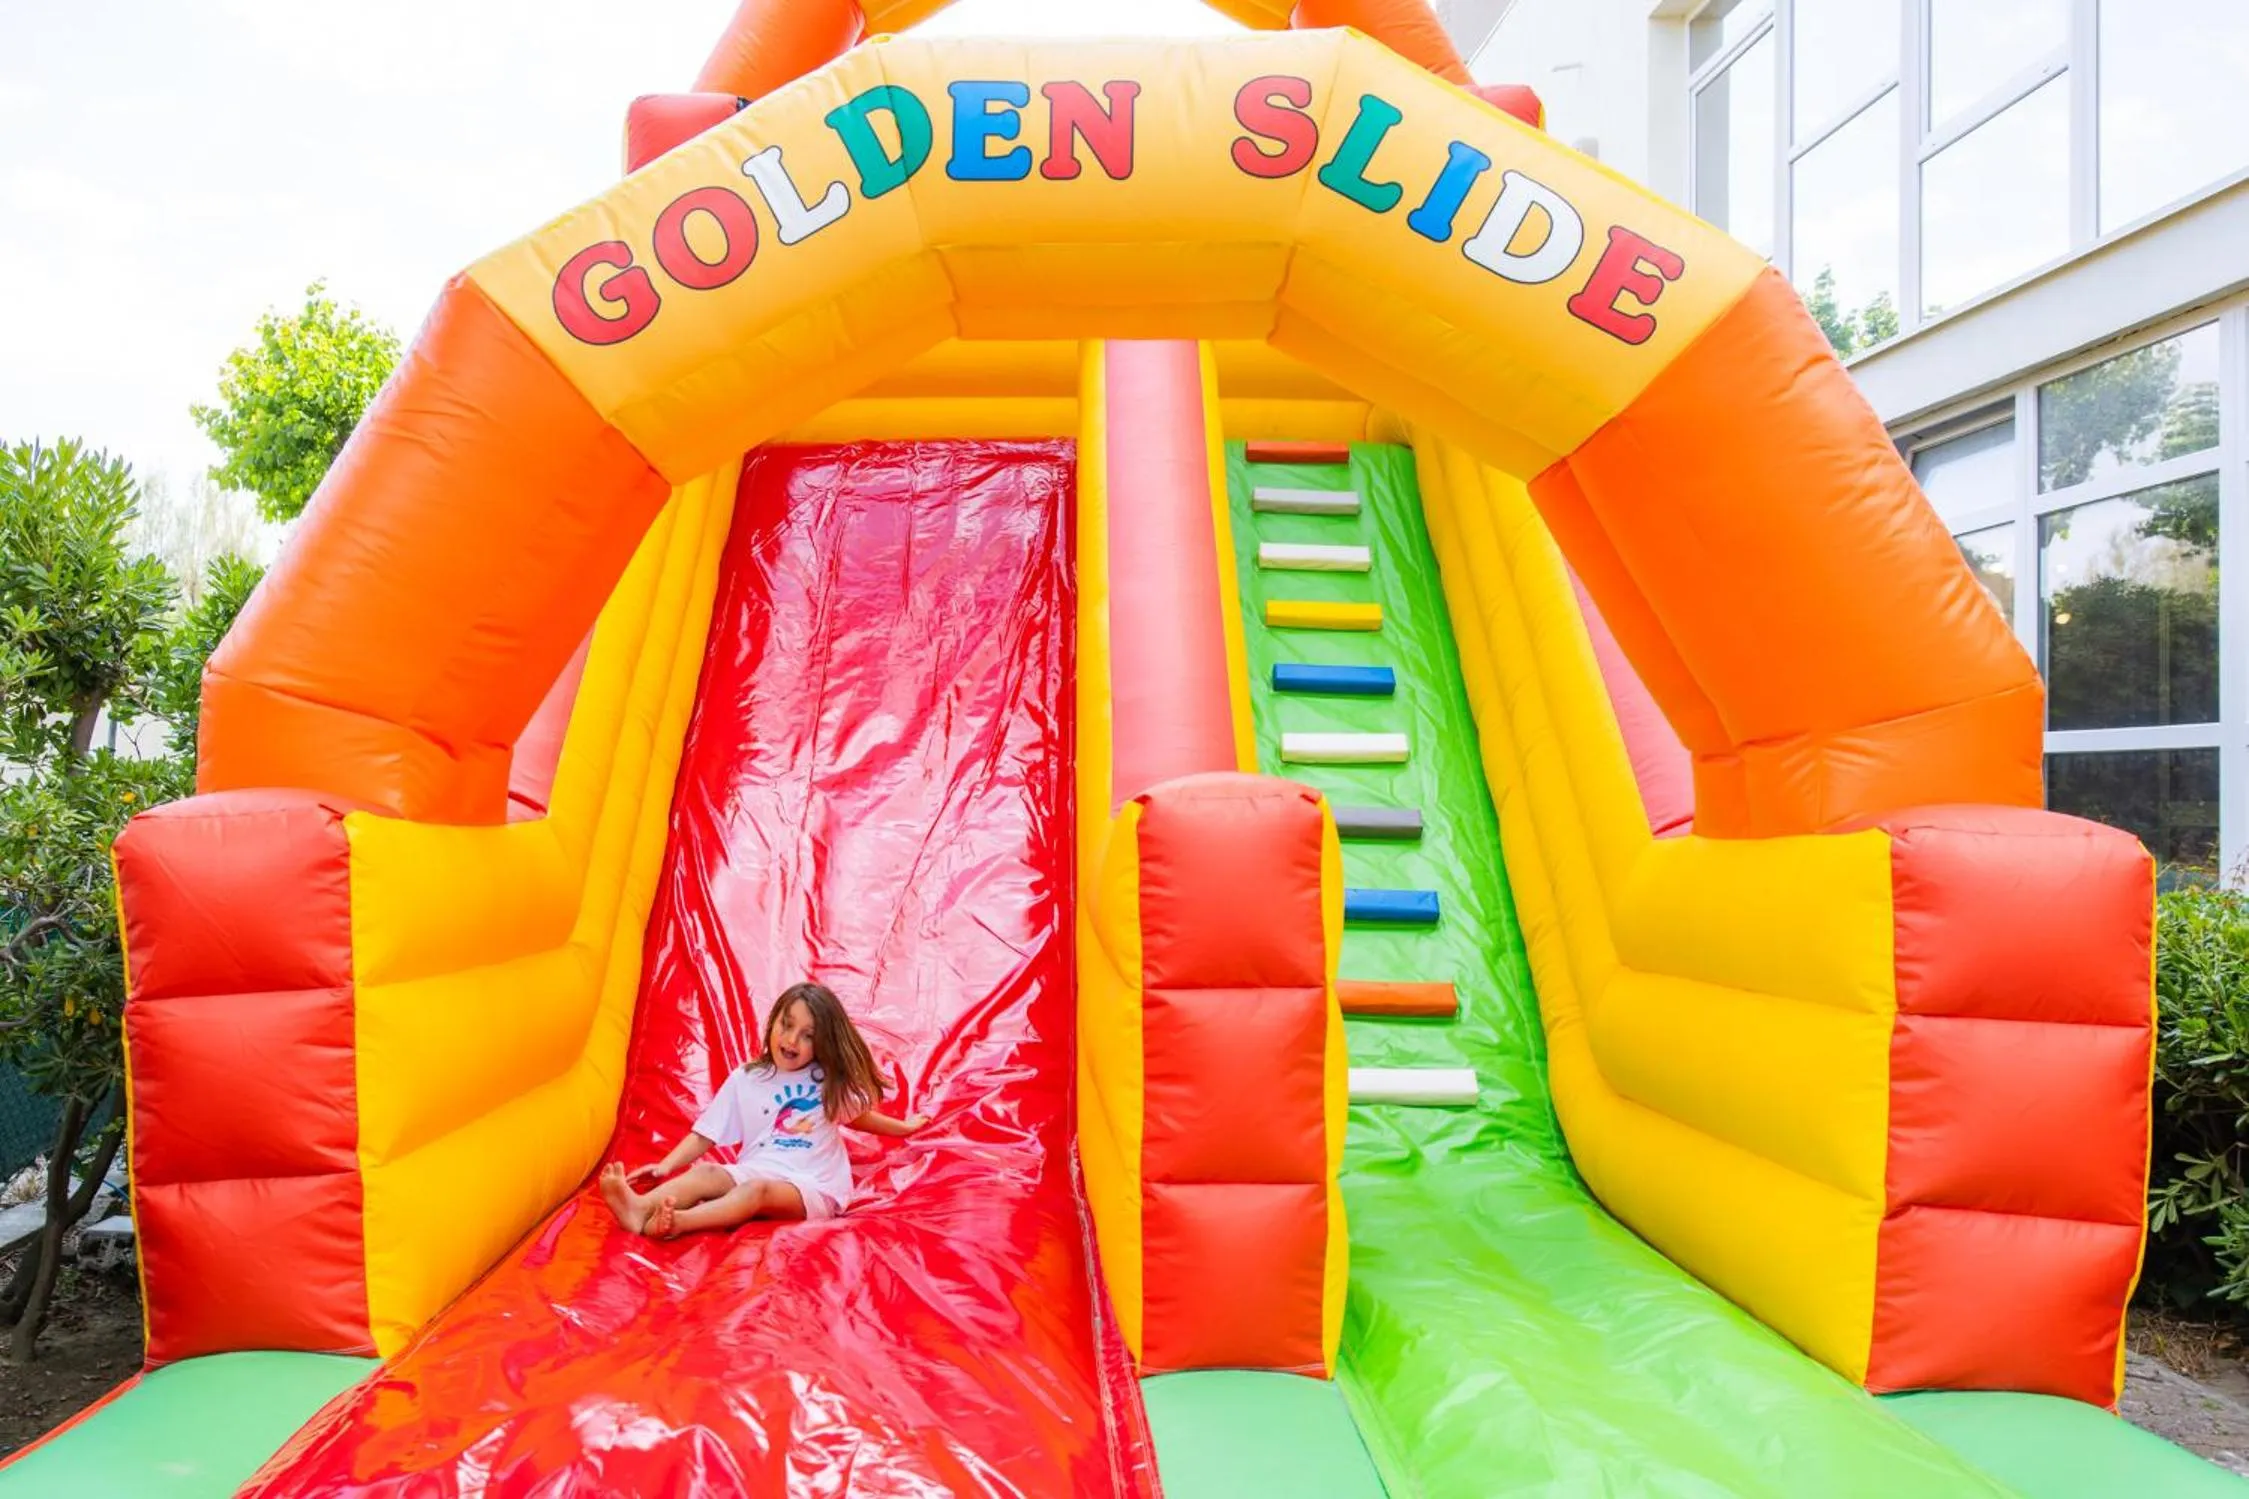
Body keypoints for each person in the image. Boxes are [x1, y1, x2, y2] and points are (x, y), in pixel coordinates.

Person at [599, 980, 929, 1238]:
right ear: (773, 1022)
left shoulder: (824, 1080)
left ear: (823, 1043)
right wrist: (665, 1166)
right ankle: (638, 1209)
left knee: (755, 1192)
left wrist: (906, 1128)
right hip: (759, 1167)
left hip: (814, 1185)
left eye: (807, 1035)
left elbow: (860, 1118)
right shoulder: (747, 1078)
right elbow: (705, 1136)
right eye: (786, 1025)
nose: (791, 1040)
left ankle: (679, 1222)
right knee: (707, 1173)